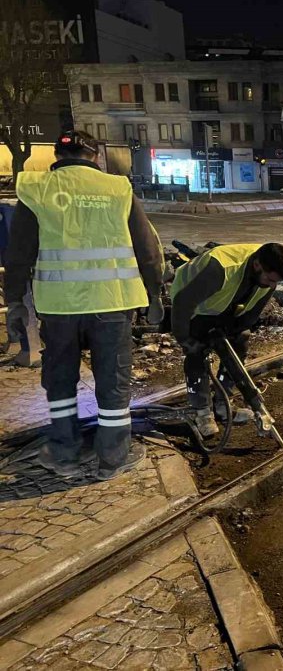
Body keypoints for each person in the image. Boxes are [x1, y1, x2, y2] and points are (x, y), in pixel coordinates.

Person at [5, 130, 164, 479]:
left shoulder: (37, 189)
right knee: (113, 379)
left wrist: (14, 300)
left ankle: (64, 455)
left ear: (57, 158)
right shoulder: (117, 189)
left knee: (60, 379)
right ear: (95, 157)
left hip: (59, 308)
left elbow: (17, 256)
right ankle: (113, 458)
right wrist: (155, 294)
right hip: (113, 303)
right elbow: (147, 250)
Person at [170, 243, 283, 437]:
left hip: (225, 305)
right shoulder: (221, 269)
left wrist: (234, 332)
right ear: (257, 265)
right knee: (196, 350)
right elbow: (182, 303)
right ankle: (202, 412)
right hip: (195, 306)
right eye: (269, 279)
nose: (271, 285)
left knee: (240, 342)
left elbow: (250, 316)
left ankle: (223, 402)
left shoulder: (269, 276)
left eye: (274, 282)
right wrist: (184, 338)